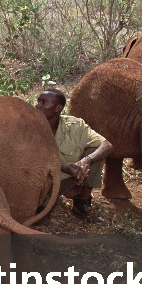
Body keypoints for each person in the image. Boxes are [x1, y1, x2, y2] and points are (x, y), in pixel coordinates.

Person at [35, 89, 114, 219]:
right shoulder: (28, 126)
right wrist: (63, 167)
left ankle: (82, 200)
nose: (38, 105)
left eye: (44, 102)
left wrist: (87, 160)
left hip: (66, 179)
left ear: (58, 108)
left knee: (96, 152)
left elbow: (107, 145)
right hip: (38, 183)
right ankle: (46, 200)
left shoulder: (75, 126)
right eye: (38, 101)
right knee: (38, 217)